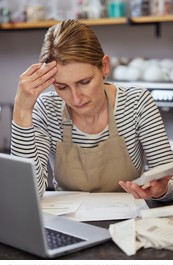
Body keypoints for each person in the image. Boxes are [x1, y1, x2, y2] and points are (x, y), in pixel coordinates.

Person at [11, 19, 173, 201]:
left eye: (84, 82)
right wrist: (22, 110)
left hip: (127, 222)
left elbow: (168, 180)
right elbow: (28, 194)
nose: (76, 98)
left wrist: (160, 190)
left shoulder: (136, 103)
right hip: (70, 225)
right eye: (62, 87)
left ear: (104, 66)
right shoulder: (47, 109)